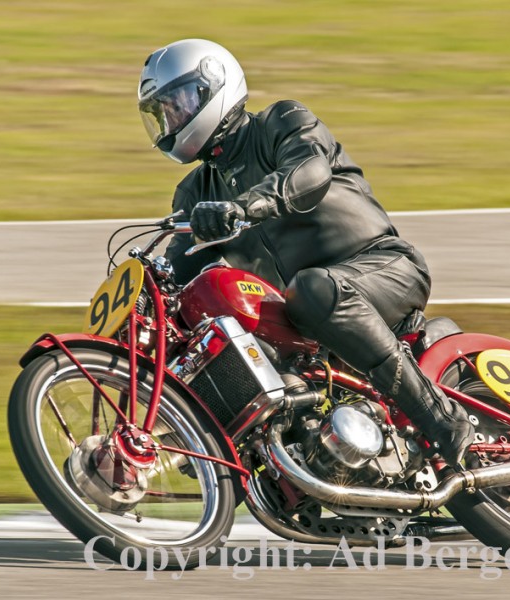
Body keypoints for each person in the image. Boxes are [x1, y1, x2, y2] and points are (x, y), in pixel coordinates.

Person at [138, 39, 474, 466]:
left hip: (381, 266)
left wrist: (243, 207)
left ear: (213, 86)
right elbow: (180, 270)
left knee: (314, 288)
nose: (172, 118)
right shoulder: (195, 191)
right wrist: (147, 299)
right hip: (309, 324)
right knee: (236, 362)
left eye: (179, 103)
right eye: (163, 112)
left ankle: (443, 419)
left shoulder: (282, 121)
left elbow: (308, 173)